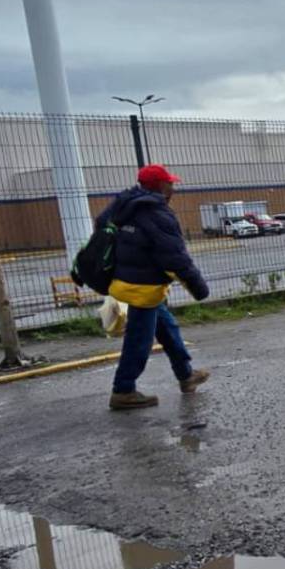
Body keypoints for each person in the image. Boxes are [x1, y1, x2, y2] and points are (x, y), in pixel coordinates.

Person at [99, 164, 210, 410]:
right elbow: (175, 257)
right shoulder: (157, 214)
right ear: (161, 186)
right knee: (139, 341)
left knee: (168, 329)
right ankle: (123, 390)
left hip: (127, 281)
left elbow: (102, 227)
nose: (173, 188)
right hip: (143, 289)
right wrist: (199, 288)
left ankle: (185, 375)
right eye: (170, 183)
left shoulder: (123, 206)